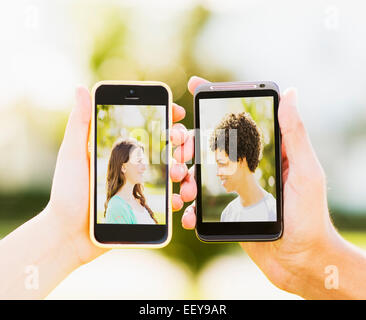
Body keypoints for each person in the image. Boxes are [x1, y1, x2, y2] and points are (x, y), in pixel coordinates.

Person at [0, 76, 365, 299]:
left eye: (221, 161)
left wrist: (317, 261)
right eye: (138, 157)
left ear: (242, 160)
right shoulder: (228, 213)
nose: (216, 171)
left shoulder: (273, 212)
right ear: (121, 166)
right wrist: (65, 232)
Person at [209, 112, 276, 222]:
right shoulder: (227, 215)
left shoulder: (273, 212)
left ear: (241, 160)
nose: (218, 173)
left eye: (222, 164)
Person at [103, 138, 157, 224]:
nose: (144, 167)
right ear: (123, 167)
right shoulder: (117, 207)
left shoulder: (137, 200)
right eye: (138, 161)